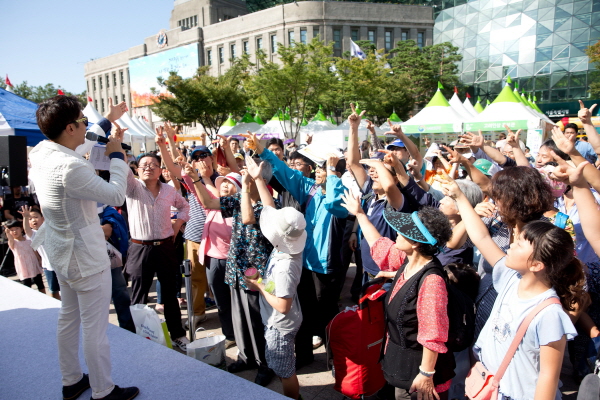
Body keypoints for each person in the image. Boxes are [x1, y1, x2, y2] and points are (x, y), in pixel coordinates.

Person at [30, 95, 138, 400]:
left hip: (61, 252)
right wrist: (117, 156)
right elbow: (116, 195)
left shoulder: (42, 152)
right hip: (85, 257)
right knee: (95, 327)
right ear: (69, 128)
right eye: (82, 121)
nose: (85, 125)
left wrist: (106, 119)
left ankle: (72, 380)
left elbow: (83, 144)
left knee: (69, 317)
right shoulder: (69, 167)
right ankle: (103, 391)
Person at [442, 176, 585, 400]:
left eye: (519, 244)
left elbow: (548, 376)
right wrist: (460, 197)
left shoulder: (549, 314)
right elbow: (480, 236)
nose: (511, 244)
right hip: (490, 387)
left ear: (536, 264)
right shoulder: (509, 277)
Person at [341, 191, 455, 400]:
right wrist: (360, 214)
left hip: (417, 377)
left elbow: (433, 333)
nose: (396, 234)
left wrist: (426, 375)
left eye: (402, 232)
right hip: (401, 363)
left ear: (415, 243)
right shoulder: (409, 260)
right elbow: (380, 246)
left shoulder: (432, 282)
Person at [185, 156, 278, 386]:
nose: (245, 174)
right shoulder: (238, 198)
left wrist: (246, 186)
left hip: (260, 273)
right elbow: (208, 202)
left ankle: (267, 363)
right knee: (239, 317)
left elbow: (248, 218)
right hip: (237, 267)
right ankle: (246, 356)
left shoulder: (267, 203)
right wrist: (196, 178)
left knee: (260, 318)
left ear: (262, 179)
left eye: (250, 172)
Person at [123, 151, 190, 351]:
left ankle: (177, 335)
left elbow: (185, 207)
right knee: (139, 296)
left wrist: (177, 224)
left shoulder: (169, 190)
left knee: (170, 294)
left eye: (153, 164)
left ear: (160, 170)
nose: (148, 167)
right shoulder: (132, 186)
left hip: (165, 247)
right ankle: (138, 336)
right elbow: (121, 169)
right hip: (139, 247)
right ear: (136, 169)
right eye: (143, 165)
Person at [245, 205, 306, 400]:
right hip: (281, 321)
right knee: (282, 366)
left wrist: (259, 287)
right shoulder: (286, 251)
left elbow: (283, 306)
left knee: (285, 372)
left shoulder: (285, 267)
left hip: (280, 326)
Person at [19, 205, 60, 299]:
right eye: (30, 219)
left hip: (62, 265)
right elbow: (26, 229)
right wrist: (25, 217)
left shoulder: (50, 228)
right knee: (54, 291)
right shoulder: (34, 234)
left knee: (68, 289)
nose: (33, 220)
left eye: (36, 217)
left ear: (42, 218)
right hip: (49, 267)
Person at [4, 219, 45, 293]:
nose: (15, 231)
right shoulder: (13, 243)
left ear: (21, 228)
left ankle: (44, 297)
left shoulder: (28, 239)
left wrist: (39, 259)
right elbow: (10, 239)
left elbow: (34, 250)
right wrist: (7, 232)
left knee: (40, 283)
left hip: (33, 263)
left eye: (17, 228)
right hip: (23, 266)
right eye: (12, 230)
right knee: (27, 285)